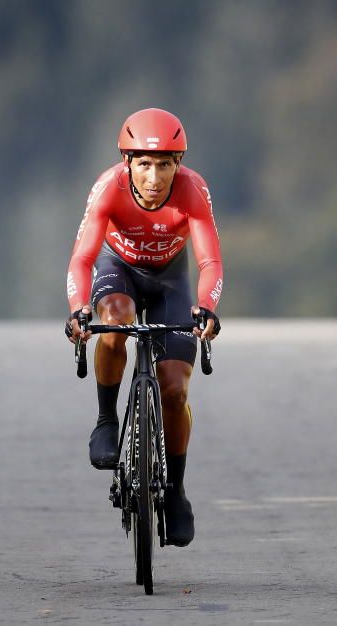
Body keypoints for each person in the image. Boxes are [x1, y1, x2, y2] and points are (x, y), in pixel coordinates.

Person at [65, 108, 223, 547]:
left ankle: (175, 493)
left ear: (179, 164)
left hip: (171, 280)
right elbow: (81, 258)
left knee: (174, 389)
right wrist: (80, 309)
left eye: (165, 165)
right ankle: (105, 420)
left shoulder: (192, 191)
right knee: (114, 321)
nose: (155, 178)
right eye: (145, 165)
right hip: (118, 271)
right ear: (128, 162)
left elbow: (210, 261)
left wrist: (206, 308)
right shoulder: (108, 189)